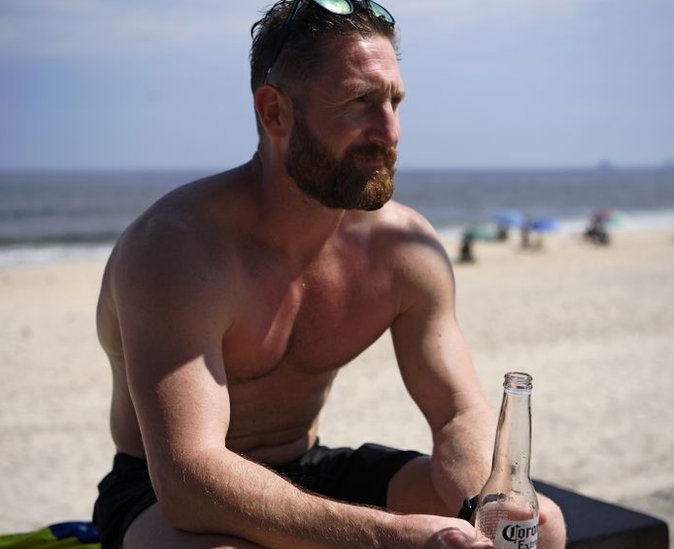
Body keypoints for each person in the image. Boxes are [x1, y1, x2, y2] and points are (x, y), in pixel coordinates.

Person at [92, 1, 566, 548]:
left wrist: (483, 507)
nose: (388, 131)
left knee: (537, 526)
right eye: (360, 101)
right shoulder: (178, 250)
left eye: (394, 101)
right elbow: (188, 477)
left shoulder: (403, 250)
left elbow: (460, 413)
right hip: (163, 491)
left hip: (310, 466)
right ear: (275, 114)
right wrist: (386, 537)